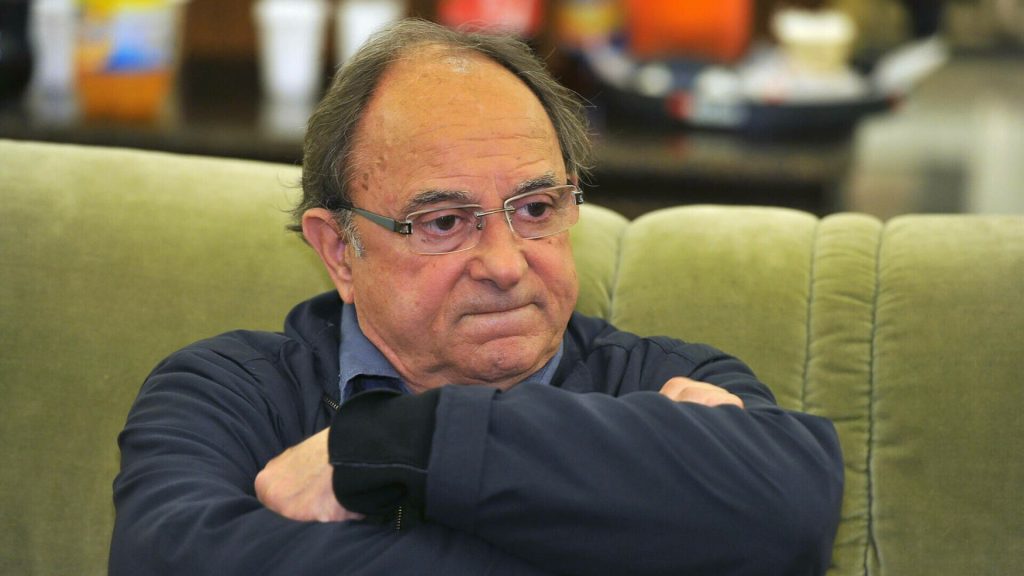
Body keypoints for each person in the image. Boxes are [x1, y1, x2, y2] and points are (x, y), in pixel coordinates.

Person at [110, 18, 843, 575]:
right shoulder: (227, 394)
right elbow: (164, 560)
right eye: (444, 222)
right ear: (338, 250)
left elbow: (792, 513)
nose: (504, 264)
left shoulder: (668, 380)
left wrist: (393, 449)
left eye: (536, 209)